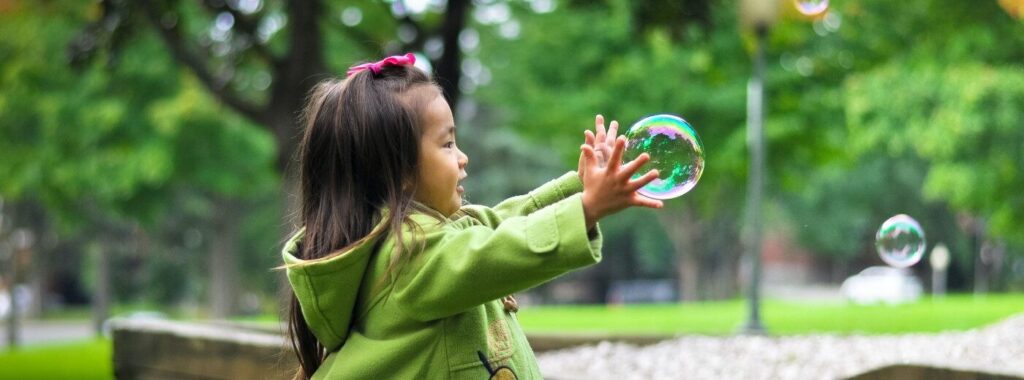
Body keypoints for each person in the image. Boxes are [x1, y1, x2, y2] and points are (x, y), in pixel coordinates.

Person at [281, 53, 662, 380]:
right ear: (399, 173)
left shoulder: (430, 236)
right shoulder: (409, 258)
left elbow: (499, 223)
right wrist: (587, 209)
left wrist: (579, 188)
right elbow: (493, 252)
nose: (462, 157)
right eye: (447, 144)